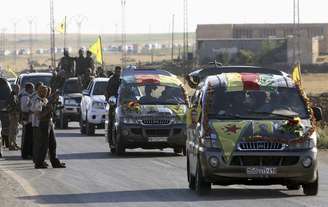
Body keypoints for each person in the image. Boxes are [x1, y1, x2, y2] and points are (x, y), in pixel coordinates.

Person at [20, 83, 34, 159]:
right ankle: (26, 154)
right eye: (32, 88)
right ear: (28, 89)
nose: (33, 90)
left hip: (29, 119)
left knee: (29, 138)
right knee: (27, 138)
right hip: (27, 119)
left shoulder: (28, 96)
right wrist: (31, 110)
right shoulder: (25, 97)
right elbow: (24, 108)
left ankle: (28, 153)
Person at [7, 84, 20, 151]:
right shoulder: (12, 96)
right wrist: (15, 114)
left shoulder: (15, 95)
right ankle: (11, 144)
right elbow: (13, 106)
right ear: (14, 89)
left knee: (15, 130)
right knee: (12, 130)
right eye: (17, 88)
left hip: (14, 115)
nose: (18, 90)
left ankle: (14, 143)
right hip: (13, 115)